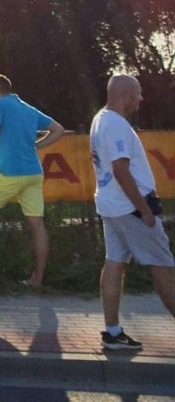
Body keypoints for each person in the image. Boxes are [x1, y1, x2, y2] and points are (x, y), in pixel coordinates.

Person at [91, 74, 175, 352]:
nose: (141, 99)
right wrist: (144, 209)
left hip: (110, 206)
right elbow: (120, 169)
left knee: (114, 262)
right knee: (163, 266)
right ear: (126, 95)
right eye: (138, 94)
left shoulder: (99, 119)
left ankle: (112, 332)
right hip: (131, 209)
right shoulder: (115, 125)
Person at [0, 74, 66, 287]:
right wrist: (38, 146)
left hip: (10, 172)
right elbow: (58, 130)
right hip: (34, 171)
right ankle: (38, 278)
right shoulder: (28, 108)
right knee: (37, 224)